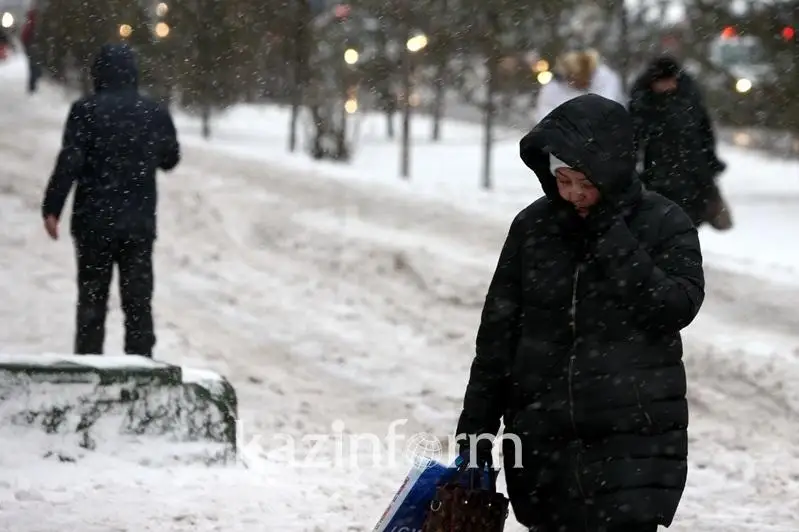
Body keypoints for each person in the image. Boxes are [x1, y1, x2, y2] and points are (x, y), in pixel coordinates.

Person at [455, 94, 705, 532]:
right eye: (562, 179)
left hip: (631, 442)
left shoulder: (665, 223)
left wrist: (611, 234)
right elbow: (497, 335)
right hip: (543, 444)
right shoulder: (533, 228)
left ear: (611, 171)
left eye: (582, 181)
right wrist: (475, 432)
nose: (571, 193)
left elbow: (674, 307)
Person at [41, 43, 180, 357]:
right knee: (138, 304)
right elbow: (170, 159)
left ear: (98, 74)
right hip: (138, 225)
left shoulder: (85, 110)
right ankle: (141, 372)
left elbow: (70, 161)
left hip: (93, 223)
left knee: (91, 303)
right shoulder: (154, 112)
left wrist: (52, 207)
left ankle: (90, 371)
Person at [628, 55, 730, 229]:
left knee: (688, 221)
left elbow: (704, 132)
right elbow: (633, 138)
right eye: (663, 82)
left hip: (692, 171)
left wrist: (710, 161)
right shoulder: (643, 103)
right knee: (664, 222)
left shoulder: (688, 96)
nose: (668, 86)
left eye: (670, 81)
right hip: (659, 172)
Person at [534, 48, 626, 124]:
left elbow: (606, 109)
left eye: (580, 76)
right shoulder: (552, 88)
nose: (576, 81)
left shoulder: (605, 79)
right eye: (572, 77)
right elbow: (545, 116)